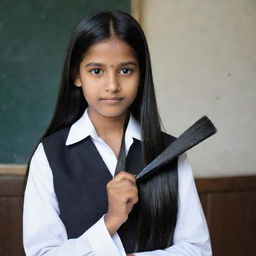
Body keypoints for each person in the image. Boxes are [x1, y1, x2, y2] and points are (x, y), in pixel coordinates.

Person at [23, 10, 212, 256]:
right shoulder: (50, 154)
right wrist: (110, 221)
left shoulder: (170, 152)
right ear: (76, 75)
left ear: (141, 74)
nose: (112, 86)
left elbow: (197, 249)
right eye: (96, 71)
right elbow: (42, 253)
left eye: (125, 70)